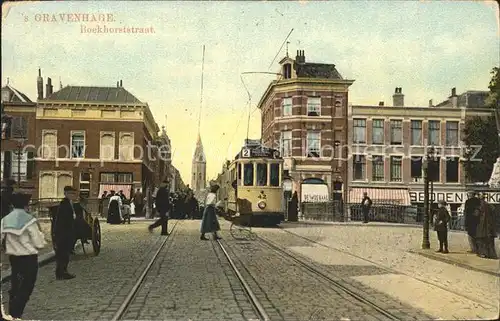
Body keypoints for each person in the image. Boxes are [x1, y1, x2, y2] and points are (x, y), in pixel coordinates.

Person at [1, 192, 46, 319]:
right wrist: (41, 239)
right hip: (29, 258)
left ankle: (11, 310)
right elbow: (39, 242)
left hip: (14, 258)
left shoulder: (5, 219)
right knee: (27, 286)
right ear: (26, 205)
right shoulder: (29, 220)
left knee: (16, 284)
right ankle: (16, 313)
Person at [54, 186, 77, 280]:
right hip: (63, 233)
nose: (73, 195)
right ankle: (61, 273)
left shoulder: (69, 203)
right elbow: (63, 220)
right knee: (63, 254)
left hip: (67, 232)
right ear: (66, 194)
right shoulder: (64, 204)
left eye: (73, 193)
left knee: (65, 254)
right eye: (71, 193)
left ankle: (63, 271)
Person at [475, 194, 498, 259]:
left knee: (481, 241)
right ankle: (492, 255)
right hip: (490, 226)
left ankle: (483, 254)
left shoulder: (479, 206)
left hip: (481, 226)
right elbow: (494, 213)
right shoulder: (490, 205)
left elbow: (476, 215)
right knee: (490, 241)